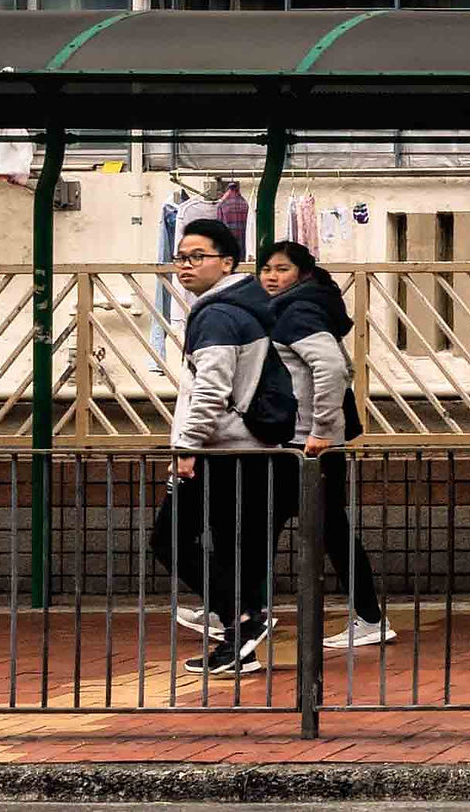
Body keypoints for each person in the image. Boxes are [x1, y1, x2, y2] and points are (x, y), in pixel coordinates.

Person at [156, 218, 331, 676]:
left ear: (228, 263)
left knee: (170, 539)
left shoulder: (218, 315)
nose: (185, 265)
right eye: (180, 257)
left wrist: (187, 446)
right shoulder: (247, 306)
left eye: (198, 256)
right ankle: (241, 637)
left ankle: (244, 619)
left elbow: (210, 390)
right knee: (238, 550)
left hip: (222, 449)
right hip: (251, 447)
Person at [256, 237, 394, 660]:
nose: (271, 277)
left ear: (302, 273)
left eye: (282, 269)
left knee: (310, 528)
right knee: (294, 527)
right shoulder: (301, 305)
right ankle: (243, 611)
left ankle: (243, 613)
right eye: (266, 269)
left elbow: (333, 368)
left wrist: (321, 429)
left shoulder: (298, 310)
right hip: (303, 442)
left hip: (306, 445)